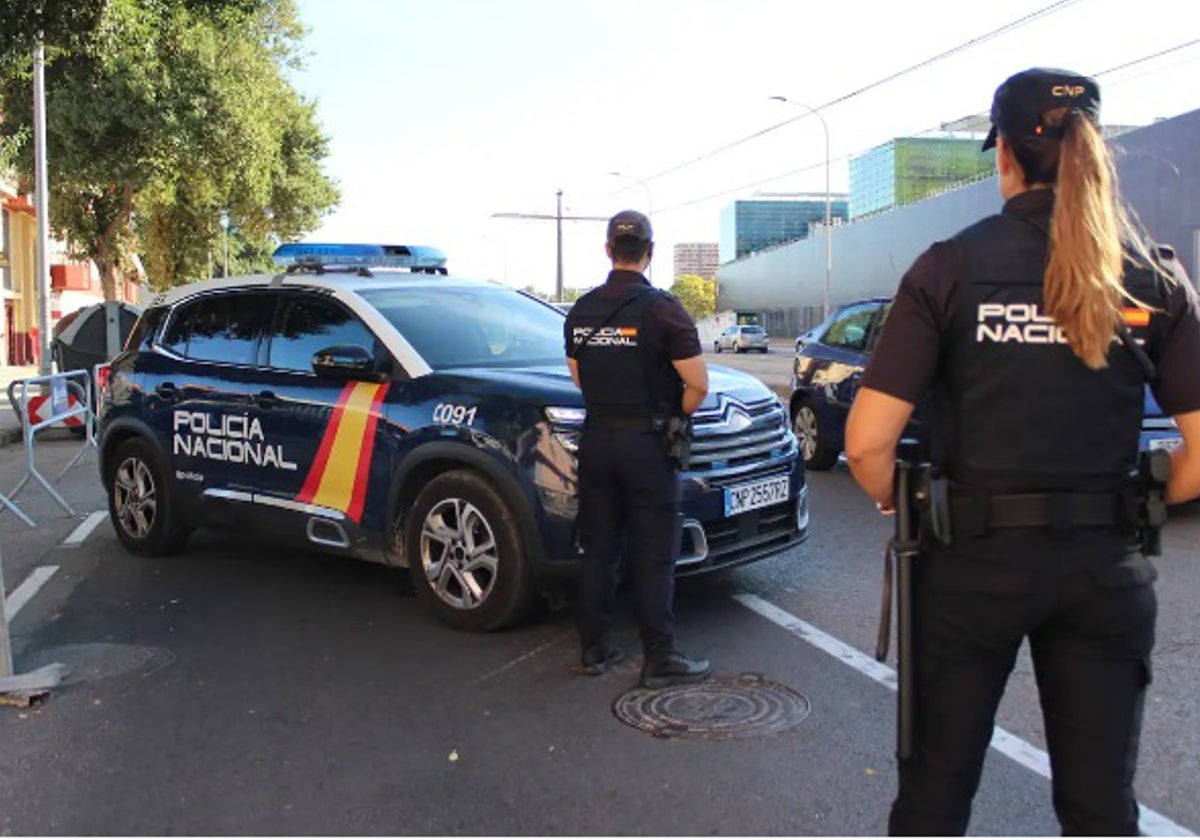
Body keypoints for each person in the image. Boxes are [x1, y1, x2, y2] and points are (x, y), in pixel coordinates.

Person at [844, 67, 1200, 835]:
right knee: (1102, 807)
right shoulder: (1155, 276)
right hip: (1105, 569)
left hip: (971, 569)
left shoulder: (949, 266)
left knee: (935, 797)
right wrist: (1130, 502)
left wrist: (893, 496)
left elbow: (867, 444)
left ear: (1003, 153)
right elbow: (1199, 454)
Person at [564, 209, 712, 689]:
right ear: (649, 253)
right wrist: (675, 416)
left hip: (599, 440)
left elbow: (580, 380)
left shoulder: (580, 311)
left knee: (600, 547)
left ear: (609, 250)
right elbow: (698, 386)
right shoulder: (665, 310)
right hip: (647, 445)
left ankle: (592, 649)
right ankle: (660, 657)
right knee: (654, 553)